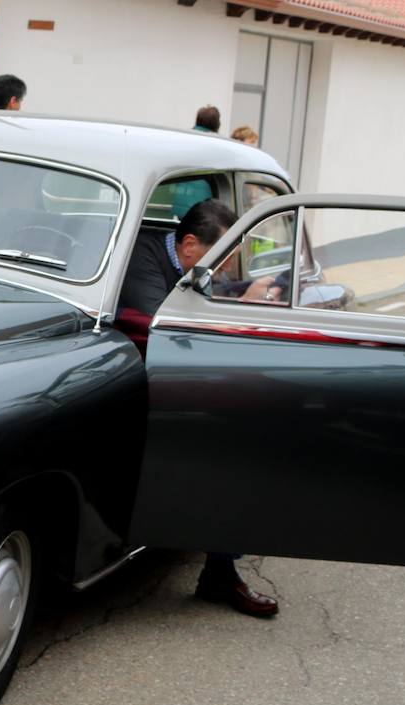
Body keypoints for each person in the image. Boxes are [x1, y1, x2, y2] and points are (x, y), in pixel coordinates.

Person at [115, 198, 281, 618]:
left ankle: (220, 568)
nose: (225, 269)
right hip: (136, 377)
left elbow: (207, 296)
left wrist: (245, 294)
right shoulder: (144, 261)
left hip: (179, 375)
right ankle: (214, 565)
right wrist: (241, 304)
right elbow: (164, 329)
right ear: (189, 244)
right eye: (222, 259)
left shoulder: (195, 264)